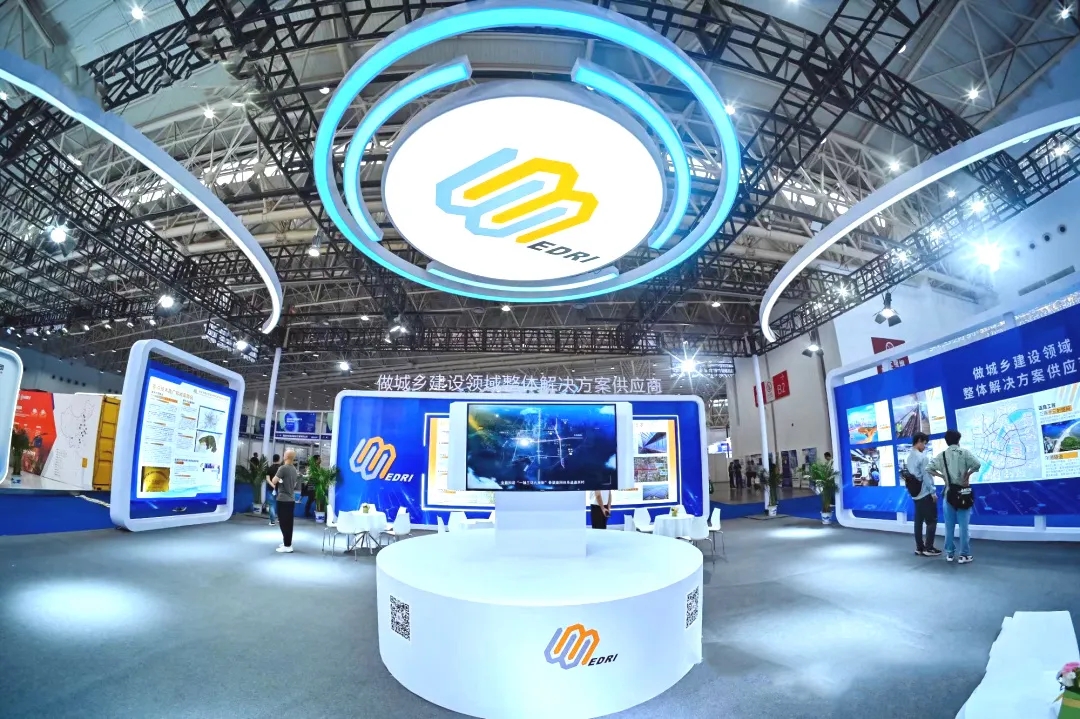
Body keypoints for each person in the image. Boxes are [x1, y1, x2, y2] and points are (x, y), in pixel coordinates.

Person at [929, 429, 982, 564]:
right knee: (964, 526)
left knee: (949, 526)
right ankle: (964, 554)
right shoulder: (964, 453)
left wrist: (942, 477)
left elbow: (928, 468)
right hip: (963, 494)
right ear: (958, 440)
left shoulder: (942, 455)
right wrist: (967, 475)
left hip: (949, 493)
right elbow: (977, 464)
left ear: (946, 441)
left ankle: (950, 553)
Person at [905, 433, 940, 557]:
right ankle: (928, 548)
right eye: (924, 443)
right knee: (931, 521)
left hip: (915, 494)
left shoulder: (909, 457)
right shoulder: (923, 457)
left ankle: (919, 547)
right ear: (919, 441)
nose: (925, 446)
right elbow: (927, 476)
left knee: (918, 522)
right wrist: (933, 492)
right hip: (925, 493)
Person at [272, 450, 301, 553]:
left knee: (284, 523)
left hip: (283, 499)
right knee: (288, 523)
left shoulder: (283, 468)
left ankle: (287, 546)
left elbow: (274, 481)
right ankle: (287, 543)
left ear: (286, 456)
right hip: (291, 499)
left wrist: (280, 480)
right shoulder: (294, 469)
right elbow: (294, 484)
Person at [265, 453, 281, 526]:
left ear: (273, 459)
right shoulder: (281, 468)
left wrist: (273, 485)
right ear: (279, 459)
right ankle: (280, 519)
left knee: (271, 505)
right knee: (280, 504)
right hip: (280, 489)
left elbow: (267, 479)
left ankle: (272, 521)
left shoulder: (269, 468)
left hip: (270, 489)